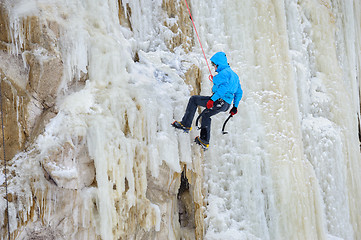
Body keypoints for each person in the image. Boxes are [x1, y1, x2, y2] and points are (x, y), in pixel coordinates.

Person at [172, 52, 243, 149]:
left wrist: (212, 100)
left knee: (194, 99)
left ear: (218, 63)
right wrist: (235, 106)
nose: (213, 67)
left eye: (214, 64)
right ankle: (204, 140)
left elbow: (223, 89)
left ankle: (186, 124)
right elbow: (239, 92)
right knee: (206, 115)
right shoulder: (234, 75)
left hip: (219, 101)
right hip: (226, 105)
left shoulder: (224, 73)